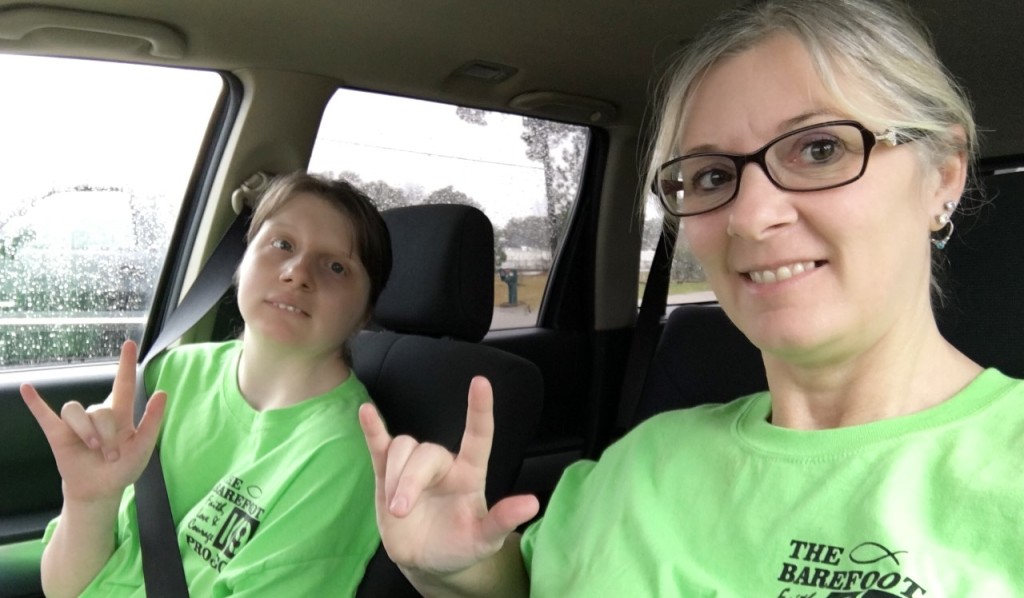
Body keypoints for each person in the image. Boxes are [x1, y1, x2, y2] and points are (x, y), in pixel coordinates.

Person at [358, 0, 1024, 595]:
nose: (751, 216)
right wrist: (461, 573)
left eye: (820, 149)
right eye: (710, 176)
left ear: (943, 175)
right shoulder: (638, 462)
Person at [22, 172, 392, 597]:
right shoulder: (169, 376)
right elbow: (65, 588)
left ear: (366, 312)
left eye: (336, 267)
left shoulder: (342, 455)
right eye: (282, 244)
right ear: (243, 260)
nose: (297, 273)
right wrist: (89, 501)